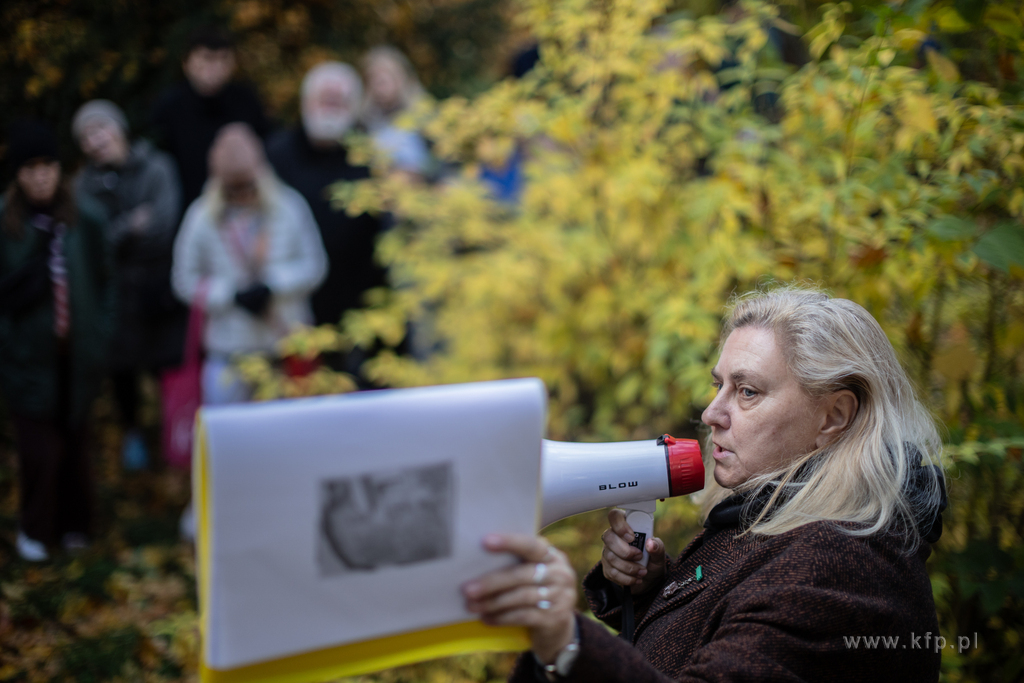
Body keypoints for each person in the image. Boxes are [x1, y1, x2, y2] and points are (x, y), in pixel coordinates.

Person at [462, 287, 947, 682]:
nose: (712, 413)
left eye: (748, 391)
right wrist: (656, 590)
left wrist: (566, 642)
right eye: (719, 386)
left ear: (834, 416)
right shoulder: (778, 526)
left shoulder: (843, 565)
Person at [0, 121, 113, 561]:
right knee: (38, 451)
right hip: (28, 357)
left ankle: (75, 525)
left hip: (78, 356)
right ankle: (35, 528)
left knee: (76, 442)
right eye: (30, 169)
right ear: (18, 175)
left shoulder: (85, 218)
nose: (40, 177)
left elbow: (106, 282)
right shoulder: (7, 224)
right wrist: (9, 346)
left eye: (47, 166)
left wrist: (100, 335)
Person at [172, 123, 327, 406]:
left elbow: (315, 266)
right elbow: (183, 280)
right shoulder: (201, 217)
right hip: (228, 354)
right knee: (230, 440)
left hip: (284, 347)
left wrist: (274, 285)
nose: (243, 195)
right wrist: (229, 295)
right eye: (234, 188)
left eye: (248, 185)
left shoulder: (288, 207)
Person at [73, 100, 183, 470]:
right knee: (122, 370)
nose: (96, 140)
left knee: (168, 367)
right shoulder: (83, 186)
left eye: (100, 128)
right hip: (116, 293)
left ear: (119, 129)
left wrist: (118, 234)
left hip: (160, 287)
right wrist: (129, 227)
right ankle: (134, 435)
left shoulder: (157, 167)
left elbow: (163, 228)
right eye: (86, 136)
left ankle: (175, 438)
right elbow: (92, 244)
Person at [266, 62, 386, 338]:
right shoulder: (276, 155)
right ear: (306, 101)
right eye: (324, 99)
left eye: (339, 101)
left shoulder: (370, 157)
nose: (330, 109)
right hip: (291, 306)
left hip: (358, 304)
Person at [152, 25, 272, 210]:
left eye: (223, 59)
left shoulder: (246, 101)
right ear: (187, 63)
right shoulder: (169, 106)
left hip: (240, 205)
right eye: (207, 58)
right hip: (184, 206)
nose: (215, 67)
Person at [359, 46, 432, 177]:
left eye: (388, 73)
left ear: (403, 77)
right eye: (374, 76)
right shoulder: (362, 121)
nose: (381, 81)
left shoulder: (425, 115)